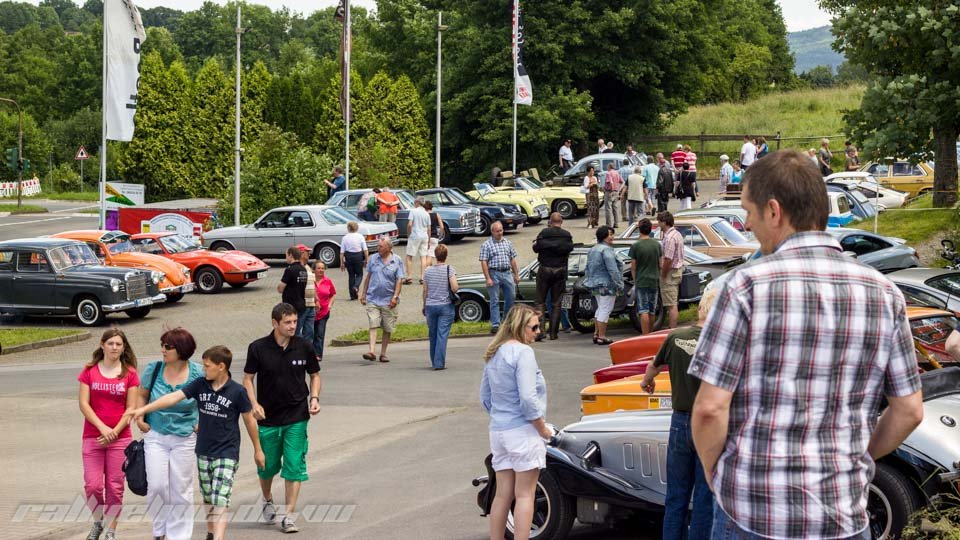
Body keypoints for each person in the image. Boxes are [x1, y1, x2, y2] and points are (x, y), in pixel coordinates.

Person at [688, 150, 924, 540]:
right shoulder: (884, 293)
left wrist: (717, 476)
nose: (747, 223)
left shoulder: (744, 287)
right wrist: (856, 457)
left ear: (774, 211)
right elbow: (909, 410)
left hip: (753, 513)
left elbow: (710, 409)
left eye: (749, 212)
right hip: (843, 515)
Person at [129, 346, 265, 540]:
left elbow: (249, 420)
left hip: (227, 452)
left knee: (220, 498)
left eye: (207, 366)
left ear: (221, 366)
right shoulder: (201, 385)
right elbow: (173, 398)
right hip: (203, 450)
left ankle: (218, 537)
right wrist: (143, 409)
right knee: (209, 496)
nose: (203, 370)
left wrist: (258, 450)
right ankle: (211, 533)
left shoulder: (237, 391)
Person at [639, 286, 719, 540]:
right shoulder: (720, 342)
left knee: (676, 496)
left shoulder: (676, 336)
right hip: (709, 426)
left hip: (680, 422)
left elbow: (653, 367)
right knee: (704, 500)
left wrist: (647, 382)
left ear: (699, 309)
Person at [244, 303, 321, 534]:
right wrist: (254, 404)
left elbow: (315, 375)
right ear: (275, 323)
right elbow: (248, 379)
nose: (293, 326)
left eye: (295, 322)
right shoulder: (258, 348)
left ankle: (288, 515)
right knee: (267, 467)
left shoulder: (304, 346)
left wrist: (314, 398)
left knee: (294, 465)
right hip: (268, 417)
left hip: (297, 415)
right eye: (288, 322)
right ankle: (267, 499)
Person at [480, 304, 552, 540]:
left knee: (503, 495)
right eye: (534, 327)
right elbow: (528, 400)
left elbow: (486, 397)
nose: (538, 331)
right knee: (525, 495)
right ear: (520, 327)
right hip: (522, 430)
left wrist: (501, 415)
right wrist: (542, 429)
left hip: (499, 430)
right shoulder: (523, 353)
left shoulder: (494, 352)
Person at [137, 328, 203, 540]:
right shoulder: (154, 369)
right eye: (162, 345)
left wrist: (199, 423)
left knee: (180, 488)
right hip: (155, 435)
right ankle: (160, 530)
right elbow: (142, 394)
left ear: (181, 350)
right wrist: (140, 418)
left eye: (168, 346)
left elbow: (208, 400)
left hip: (184, 437)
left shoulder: (199, 373)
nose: (162, 350)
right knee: (156, 485)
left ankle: (179, 535)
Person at [78, 329, 140, 540]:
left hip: (120, 439)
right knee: (92, 485)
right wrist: (103, 428)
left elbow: (131, 408)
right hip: (93, 436)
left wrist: (113, 432)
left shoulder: (129, 373)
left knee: (115, 487)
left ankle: (111, 531)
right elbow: (83, 404)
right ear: (102, 344)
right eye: (111, 343)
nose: (115, 347)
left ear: (123, 347)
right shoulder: (89, 370)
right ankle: (98, 521)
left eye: (119, 344)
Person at [359, 237, 405, 362]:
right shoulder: (373, 259)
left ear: (389, 248)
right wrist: (363, 294)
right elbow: (368, 277)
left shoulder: (397, 261)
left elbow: (399, 281)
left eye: (381, 246)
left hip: (389, 300)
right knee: (373, 323)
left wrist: (395, 297)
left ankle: (383, 353)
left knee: (387, 327)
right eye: (378, 246)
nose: (378, 248)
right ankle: (371, 351)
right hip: (373, 298)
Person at [532, 212, 574, 340]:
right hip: (560, 270)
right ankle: (553, 334)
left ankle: (540, 332)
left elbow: (536, 248)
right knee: (557, 303)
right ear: (561, 222)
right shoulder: (566, 235)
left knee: (540, 301)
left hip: (545, 269)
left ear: (550, 221)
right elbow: (570, 249)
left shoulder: (544, 233)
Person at [583, 225, 623, 345]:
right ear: (605, 237)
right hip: (607, 284)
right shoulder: (607, 250)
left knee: (600, 308)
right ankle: (602, 336)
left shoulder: (593, 249)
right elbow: (613, 269)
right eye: (610, 234)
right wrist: (619, 283)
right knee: (606, 309)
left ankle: (596, 334)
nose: (612, 237)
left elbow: (587, 268)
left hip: (594, 283)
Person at [422, 244, 459, 370]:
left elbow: (425, 291)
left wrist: (424, 306)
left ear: (435, 256)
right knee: (442, 334)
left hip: (430, 306)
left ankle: (434, 361)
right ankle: (439, 363)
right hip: (445, 305)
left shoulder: (427, 271)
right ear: (446, 256)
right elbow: (454, 287)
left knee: (432, 335)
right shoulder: (449, 269)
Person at [479, 221, 520, 333]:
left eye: (501, 230)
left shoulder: (508, 243)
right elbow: (483, 262)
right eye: (497, 231)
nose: (500, 233)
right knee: (494, 300)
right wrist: (488, 278)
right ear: (492, 232)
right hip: (493, 273)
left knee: (511, 297)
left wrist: (516, 274)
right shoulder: (486, 245)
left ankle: (506, 322)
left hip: (507, 273)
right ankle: (495, 325)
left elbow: (513, 259)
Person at [629, 218, 661, 335]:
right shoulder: (656, 245)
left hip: (641, 280)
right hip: (654, 280)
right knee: (652, 310)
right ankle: (651, 333)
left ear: (640, 230)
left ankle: (645, 334)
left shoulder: (636, 246)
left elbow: (633, 266)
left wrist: (634, 279)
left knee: (643, 310)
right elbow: (661, 264)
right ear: (650, 229)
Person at [277, 246, 310, 341]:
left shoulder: (290, 270)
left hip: (290, 306)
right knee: (298, 330)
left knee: (292, 333)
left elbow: (280, 288)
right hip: (301, 304)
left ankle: (295, 352)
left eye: (286, 255)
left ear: (291, 255)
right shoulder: (303, 269)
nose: (286, 257)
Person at [658, 211, 684, 329]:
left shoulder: (669, 238)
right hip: (677, 271)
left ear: (665, 222)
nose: (658, 224)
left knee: (671, 304)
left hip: (670, 272)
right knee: (673, 301)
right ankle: (672, 327)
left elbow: (668, 259)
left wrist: (663, 273)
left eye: (659, 221)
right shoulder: (677, 234)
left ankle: (672, 329)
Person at [313, 261, 336, 362]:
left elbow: (333, 294)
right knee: (310, 333)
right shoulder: (310, 281)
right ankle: (310, 353)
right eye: (319, 268)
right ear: (314, 269)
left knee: (319, 334)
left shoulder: (328, 281)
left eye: (323, 268)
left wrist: (330, 305)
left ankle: (318, 354)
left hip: (324, 312)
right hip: (310, 312)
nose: (321, 270)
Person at [339, 221, 368, 301]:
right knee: (359, 274)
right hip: (358, 256)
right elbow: (365, 249)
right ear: (357, 228)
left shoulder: (345, 238)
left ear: (348, 228)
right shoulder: (360, 236)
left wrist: (341, 263)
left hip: (348, 256)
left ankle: (352, 296)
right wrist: (366, 259)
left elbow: (342, 252)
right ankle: (356, 286)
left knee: (351, 275)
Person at [405, 197, 431, 284]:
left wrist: (408, 234)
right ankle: (422, 277)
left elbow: (409, 224)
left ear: (417, 202)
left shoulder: (413, 211)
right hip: (424, 236)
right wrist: (429, 239)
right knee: (423, 256)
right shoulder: (426, 214)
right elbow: (429, 228)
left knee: (409, 256)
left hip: (415, 235)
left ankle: (409, 276)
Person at [298, 244, 316, 341]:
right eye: (307, 252)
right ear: (301, 253)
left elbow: (313, 284)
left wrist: (316, 299)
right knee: (298, 331)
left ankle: (307, 353)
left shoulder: (308, 267)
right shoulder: (297, 268)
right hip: (302, 305)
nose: (309, 254)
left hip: (311, 304)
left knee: (309, 332)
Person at [424, 200, 446, 268]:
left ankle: (428, 270)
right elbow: (442, 227)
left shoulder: (424, 215)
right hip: (434, 236)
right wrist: (440, 235)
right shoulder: (436, 214)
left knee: (426, 255)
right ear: (431, 207)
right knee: (430, 255)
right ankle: (426, 269)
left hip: (425, 236)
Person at [603, 163, 624, 228]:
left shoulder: (608, 173)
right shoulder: (617, 173)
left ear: (609, 167)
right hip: (616, 192)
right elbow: (623, 182)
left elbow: (611, 182)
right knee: (615, 208)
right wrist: (619, 189)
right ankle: (616, 223)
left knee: (608, 209)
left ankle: (608, 225)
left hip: (610, 192)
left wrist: (611, 190)